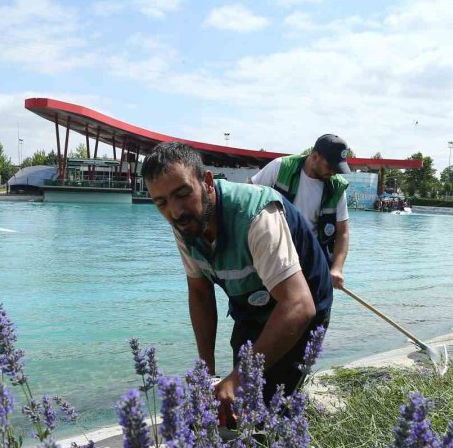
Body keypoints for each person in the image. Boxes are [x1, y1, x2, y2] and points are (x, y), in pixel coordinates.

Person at [141, 141, 333, 418]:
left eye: (183, 193)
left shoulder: (257, 216)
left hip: (302, 303)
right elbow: (200, 293)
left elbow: (298, 306)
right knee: (231, 403)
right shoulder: (185, 222)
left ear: (206, 181)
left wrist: (238, 378)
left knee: (269, 402)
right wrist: (206, 374)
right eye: (161, 202)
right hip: (252, 302)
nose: (175, 211)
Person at [248, 134, 351, 289]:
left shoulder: (337, 188)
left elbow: (342, 233)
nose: (334, 173)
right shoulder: (280, 167)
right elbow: (247, 196)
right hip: (273, 253)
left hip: (312, 258)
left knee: (315, 310)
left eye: (337, 169)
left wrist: (337, 268)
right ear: (314, 156)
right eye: (330, 167)